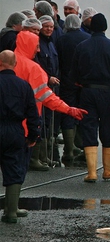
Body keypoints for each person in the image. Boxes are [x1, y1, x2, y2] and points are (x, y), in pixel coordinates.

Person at [12, 31, 87, 171]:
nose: (39, 50)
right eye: (37, 46)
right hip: (25, 125)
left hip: (6, 123)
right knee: (16, 173)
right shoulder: (34, 69)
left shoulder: (6, 62)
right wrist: (69, 110)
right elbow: (48, 98)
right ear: (29, 45)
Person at [71, 13, 110, 182]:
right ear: (105, 28)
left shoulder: (82, 46)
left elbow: (73, 74)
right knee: (107, 128)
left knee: (88, 127)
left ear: (90, 27)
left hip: (87, 92)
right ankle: (107, 170)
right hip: (107, 92)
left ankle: (91, 172)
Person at [0, 50, 42, 223]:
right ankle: (11, 212)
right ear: (15, 64)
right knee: (14, 170)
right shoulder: (23, 86)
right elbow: (33, 114)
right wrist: (33, 136)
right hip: (14, 130)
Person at [56, 14, 90, 165]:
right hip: (83, 82)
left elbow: (58, 61)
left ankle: (69, 150)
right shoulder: (87, 37)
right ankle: (81, 144)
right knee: (82, 111)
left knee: (68, 111)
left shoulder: (61, 39)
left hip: (66, 81)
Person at [37, 15, 62, 166]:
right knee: (42, 120)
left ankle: (44, 155)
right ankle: (38, 157)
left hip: (51, 87)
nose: (49, 29)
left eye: (51, 27)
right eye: (46, 26)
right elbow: (37, 65)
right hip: (43, 86)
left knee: (48, 121)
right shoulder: (38, 43)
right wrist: (48, 78)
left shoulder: (51, 43)